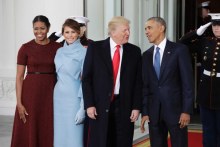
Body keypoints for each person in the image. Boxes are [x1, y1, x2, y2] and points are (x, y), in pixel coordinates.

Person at [82, 16, 142, 147]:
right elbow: (86, 79)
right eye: (125, 30)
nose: (128, 33)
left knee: (122, 141)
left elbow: (138, 82)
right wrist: (89, 104)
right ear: (113, 32)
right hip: (99, 105)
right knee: (101, 141)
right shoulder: (95, 48)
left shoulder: (135, 51)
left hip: (124, 104)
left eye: (129, 30)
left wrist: (136, 106)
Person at [141, 17, 194, 147]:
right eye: (145, 29)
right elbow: (145, 86)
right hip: (154, 113)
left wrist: (186, 110)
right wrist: (145, 112)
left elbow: (187, 83)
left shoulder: (179, 50)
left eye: (149, 28)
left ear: (161, 28)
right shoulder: (146, 55)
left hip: (176, 112)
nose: (146, 32)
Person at [11, 15, 62, 147]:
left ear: (48, 28)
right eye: (36, 29)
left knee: (48, 125)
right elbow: (19, 76)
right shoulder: (25, 48)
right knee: (30, 126)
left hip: (51, 91)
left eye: (42, 28)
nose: (39, 32)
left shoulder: (58, 47)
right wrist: (19, 103)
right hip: (30, 94)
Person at [180, 13, 220, 147]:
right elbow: (182, 43)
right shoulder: (206, 42)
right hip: (205, 93)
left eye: (219, 25)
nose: (216, 28)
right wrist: (198, 32)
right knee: (208, 129)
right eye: (214, 25)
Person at [53, 19, 86, 147]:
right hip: (58, 98)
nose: (70, 35)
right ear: (63, 34)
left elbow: (86, 80)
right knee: (60, 135)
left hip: (74, 99)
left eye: (73, 32)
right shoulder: (59, 51)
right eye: (67, 32)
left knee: (74, 137)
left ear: (79, 33)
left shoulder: (84, 52)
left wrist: (82, 108)